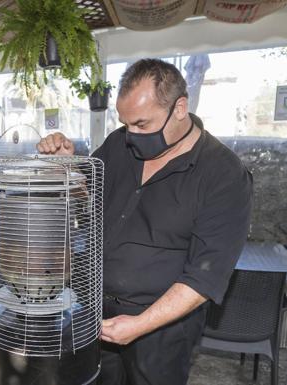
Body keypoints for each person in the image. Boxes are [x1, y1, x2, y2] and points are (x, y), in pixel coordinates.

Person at [37, 59, 252, 385]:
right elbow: (89, 205)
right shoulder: (118, 144)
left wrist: (139, 325)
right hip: (92, 309)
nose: (131, 135)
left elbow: (204, 278)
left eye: (142, 124)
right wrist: (67, 169)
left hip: (162, 330)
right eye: (125, 124)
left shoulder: (223, 174)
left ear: (180, 108)